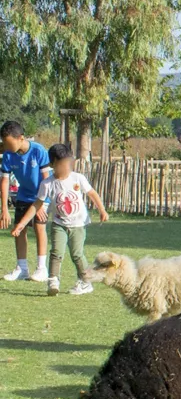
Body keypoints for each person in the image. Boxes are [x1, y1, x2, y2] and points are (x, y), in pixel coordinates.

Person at [13, 143, 108, 295]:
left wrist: (102, 210)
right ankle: (53, 280)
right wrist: (21, 224)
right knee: (56, 252)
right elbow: (36, 205)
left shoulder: (78, 178)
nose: (66, 167)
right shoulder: (47, 183)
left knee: (77, 254)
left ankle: (85, 282)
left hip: (78, 225)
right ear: (52, 164)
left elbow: (92, 193)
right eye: (62, 164)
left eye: (69, 163)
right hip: (59, 224)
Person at [1, 119, 52, 281]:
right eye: (5, 144)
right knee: (19, 229)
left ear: (21, 138)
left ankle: (41, 268)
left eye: (9, 143)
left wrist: (43, 203)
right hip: (23, 196)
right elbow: (4, 181)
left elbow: (46, 178)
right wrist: (4, 209)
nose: (7, 148)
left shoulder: (39, 151)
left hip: (41, 197)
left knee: (39, 228)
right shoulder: (8, 155)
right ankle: (22, 268)